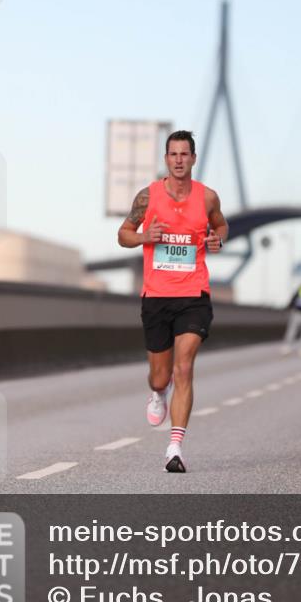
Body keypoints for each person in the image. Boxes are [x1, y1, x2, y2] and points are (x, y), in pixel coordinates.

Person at [117, 130, 228, 473]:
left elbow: (221, 226)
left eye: (185, 154)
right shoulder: (147, 197)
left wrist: (216, 240)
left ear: (193, 159)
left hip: (193, 294)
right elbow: (122, 235)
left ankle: (175, 447)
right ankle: (156, 393)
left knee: (185, 367)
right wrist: (142, 237)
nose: (179, 160)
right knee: (160, 375)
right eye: (173, 154)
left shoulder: (207, 198)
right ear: (166, 159)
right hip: (156, 296)